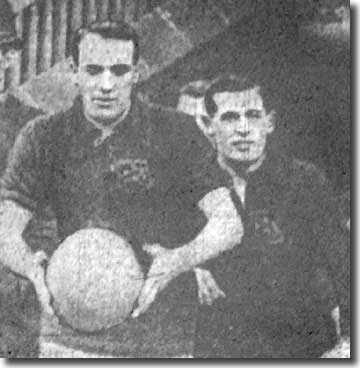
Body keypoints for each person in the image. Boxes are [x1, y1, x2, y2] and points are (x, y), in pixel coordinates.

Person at [0, 21, 243, 358]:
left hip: (161, 336)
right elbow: (6, 231)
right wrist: (31, 267)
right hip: (68, 332)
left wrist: (177, 260)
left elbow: (229, 223)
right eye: (94, 70)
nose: (106, 85)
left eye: (119, 71)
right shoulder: (43, 136)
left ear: (137, 72)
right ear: (73, 71)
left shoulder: (177, 132)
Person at [185, 75, 350, 358]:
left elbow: (345, 263)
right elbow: (156, 245)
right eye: (229, 118)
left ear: (269, 123)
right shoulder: (189, 184)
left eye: (252, 115)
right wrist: (188, 268)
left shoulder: (304, 180)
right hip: (222, 345)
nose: (244, 129)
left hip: (303, 342)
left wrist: (349, 342)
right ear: (209, 127)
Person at [0, 0, 46, 358]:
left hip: (9, 282)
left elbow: (48, 208)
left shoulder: (34, 128)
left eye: (4, 49)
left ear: (11, 56)